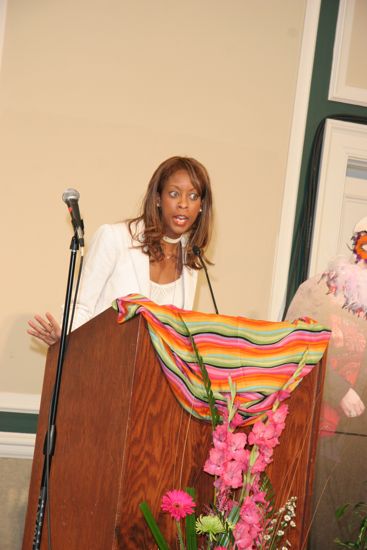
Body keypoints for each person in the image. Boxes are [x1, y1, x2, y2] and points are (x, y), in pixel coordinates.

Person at [27, 156, 213, 346]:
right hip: (102, 362)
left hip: (149, 373)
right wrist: (67, 342)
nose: (183, 204)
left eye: (193, 196)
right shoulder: (115, 238)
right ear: (157, 199)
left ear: (201, 206)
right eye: (174, 194)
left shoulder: (191, 260)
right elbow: (81, 306)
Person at [286, 217, 367, 547]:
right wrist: (337, 388)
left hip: (359, 444)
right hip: (319, 430)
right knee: (318, 525)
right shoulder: (320, 288)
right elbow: (293, 344)